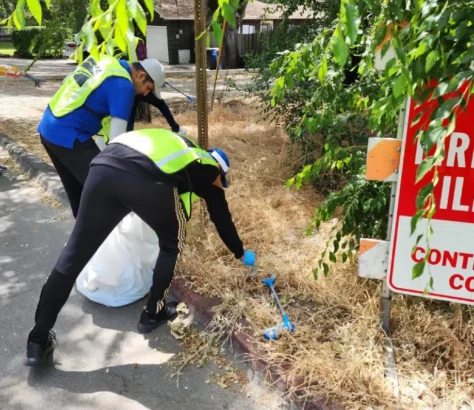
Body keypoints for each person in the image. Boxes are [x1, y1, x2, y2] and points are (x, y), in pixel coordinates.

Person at [26, 128, 256, 367]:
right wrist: (240, 252)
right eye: (222, 179)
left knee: (72, 257)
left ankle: (37, 340)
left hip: (102, 166)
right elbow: (221, 216)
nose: (220, 184)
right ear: (220, 169)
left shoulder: (183, 147)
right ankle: (152, 313)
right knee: (172, 245)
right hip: (145, 177)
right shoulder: (208, 167)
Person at [37, 54, 163, 218]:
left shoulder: (105, 61)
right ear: (141, 75)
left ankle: (84, 241)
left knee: (80, 194)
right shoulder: (124, 87)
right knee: (108, 194)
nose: (146, 94)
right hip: (69, 136)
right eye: (149, 88)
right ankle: (104, 240)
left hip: (48, 127)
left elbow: (68, 81)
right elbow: (117, 144)